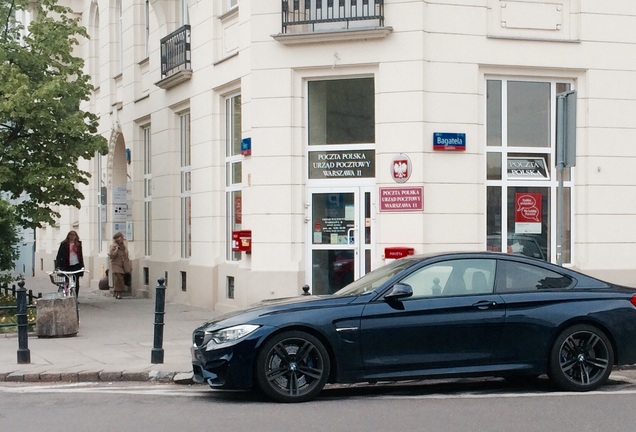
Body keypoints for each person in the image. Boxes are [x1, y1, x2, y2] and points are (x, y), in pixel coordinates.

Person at [55, 230, 85, 298]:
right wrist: (58, 265)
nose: (72, 237)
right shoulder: (64, 244)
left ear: (76, 236)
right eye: (70, 235)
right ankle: (67, 294)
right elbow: (59, 255)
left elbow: (81, 255)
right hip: (67, 265)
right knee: (67, 280)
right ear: (68, 236)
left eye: (73, 235)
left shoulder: (78, 244)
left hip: (76, 264)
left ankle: (75, 297)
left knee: (76, 281)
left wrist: (82, 266)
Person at [108, 231, 132, 299]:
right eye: (120, 237)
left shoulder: (124, 245)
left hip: (123, 264)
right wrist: (116, 250)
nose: (122, 238)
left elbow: (126, 255)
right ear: (117, 239)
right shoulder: (113, 246)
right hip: (116, 264)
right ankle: (119, 292)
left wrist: (128, 264)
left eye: (122, 237)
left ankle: (117, 291)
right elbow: (112, 255)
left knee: (120, 278)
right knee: (119, 278)